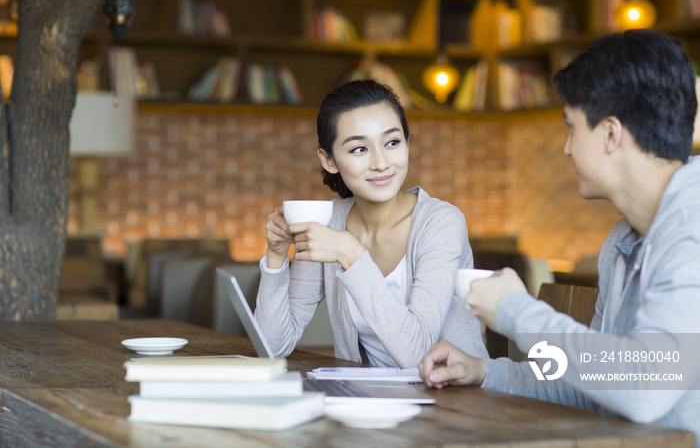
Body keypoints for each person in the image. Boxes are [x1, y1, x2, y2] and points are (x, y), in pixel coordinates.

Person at [418, 29, 700, 441]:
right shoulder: (623, 241)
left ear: (610, 133)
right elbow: (600, 387)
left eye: (571, 127)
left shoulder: (692, 228)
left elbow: (644, 387)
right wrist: (485, 371)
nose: (566, 148)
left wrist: (516, 311)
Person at [254, 79, 488, 368]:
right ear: (329, 160)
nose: (380, 163)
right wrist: (276, 258)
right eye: (359, 149)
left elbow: (419, 355)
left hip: (456, 402)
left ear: (407, 143)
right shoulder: (329, 223)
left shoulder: (440, 223)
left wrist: (350, 254)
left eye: (392, 142)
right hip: (369, 401)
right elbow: (272, 346)